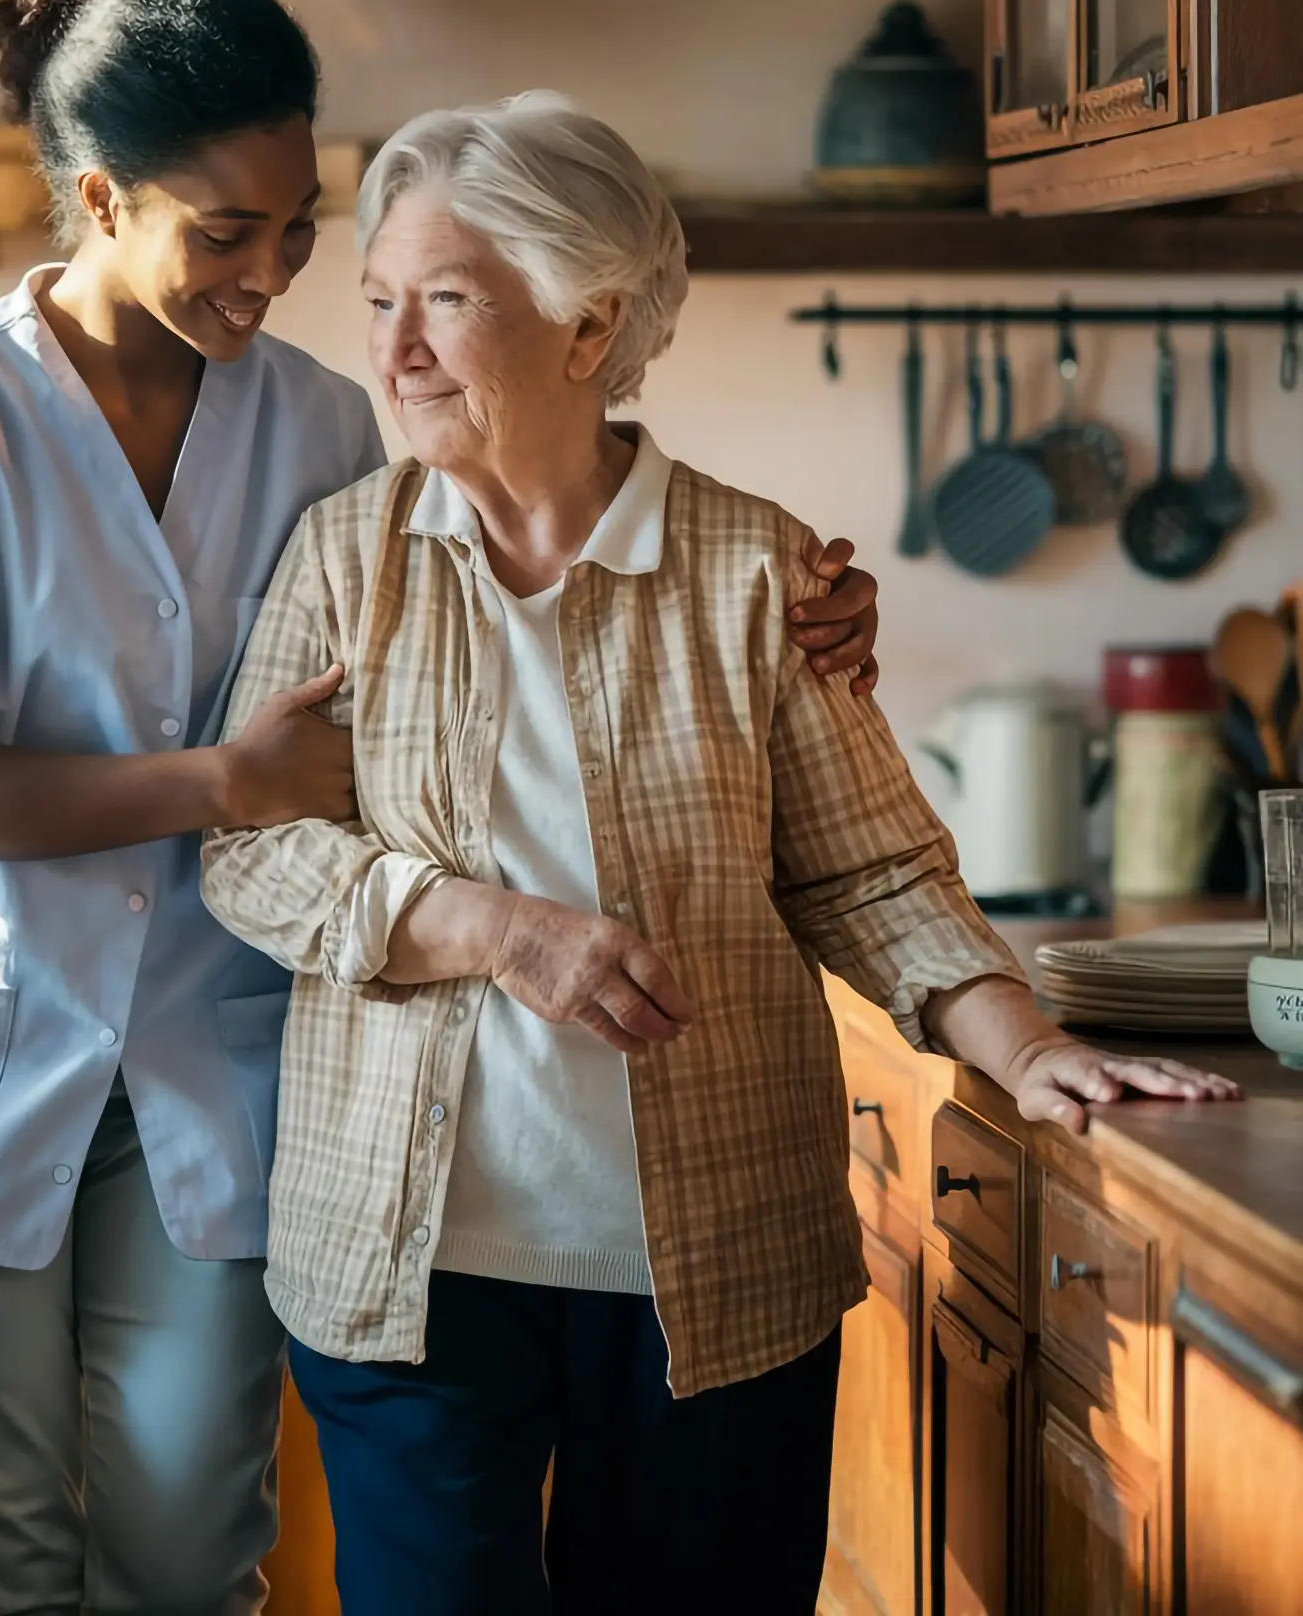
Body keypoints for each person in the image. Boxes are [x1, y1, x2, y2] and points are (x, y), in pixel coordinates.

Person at [0, 0, 884, 1616]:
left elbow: (500, 593)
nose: (276, 272)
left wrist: (797, 608)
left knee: (190, 1560)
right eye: (227, 232)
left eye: (300, 228)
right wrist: (223, 781)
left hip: (213, 1071)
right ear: (97, 196)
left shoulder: (324, 430)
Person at [198, 91, 1241, 1616]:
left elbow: (874, 874)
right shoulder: (344, 559)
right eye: (377, 301)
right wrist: (492, 927)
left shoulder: (762, 571)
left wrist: (1024, 1048)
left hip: (718, 1266)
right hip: (400, 1267)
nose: (394, 347)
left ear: (587, 321)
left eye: (446, 300)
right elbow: (254, 855)